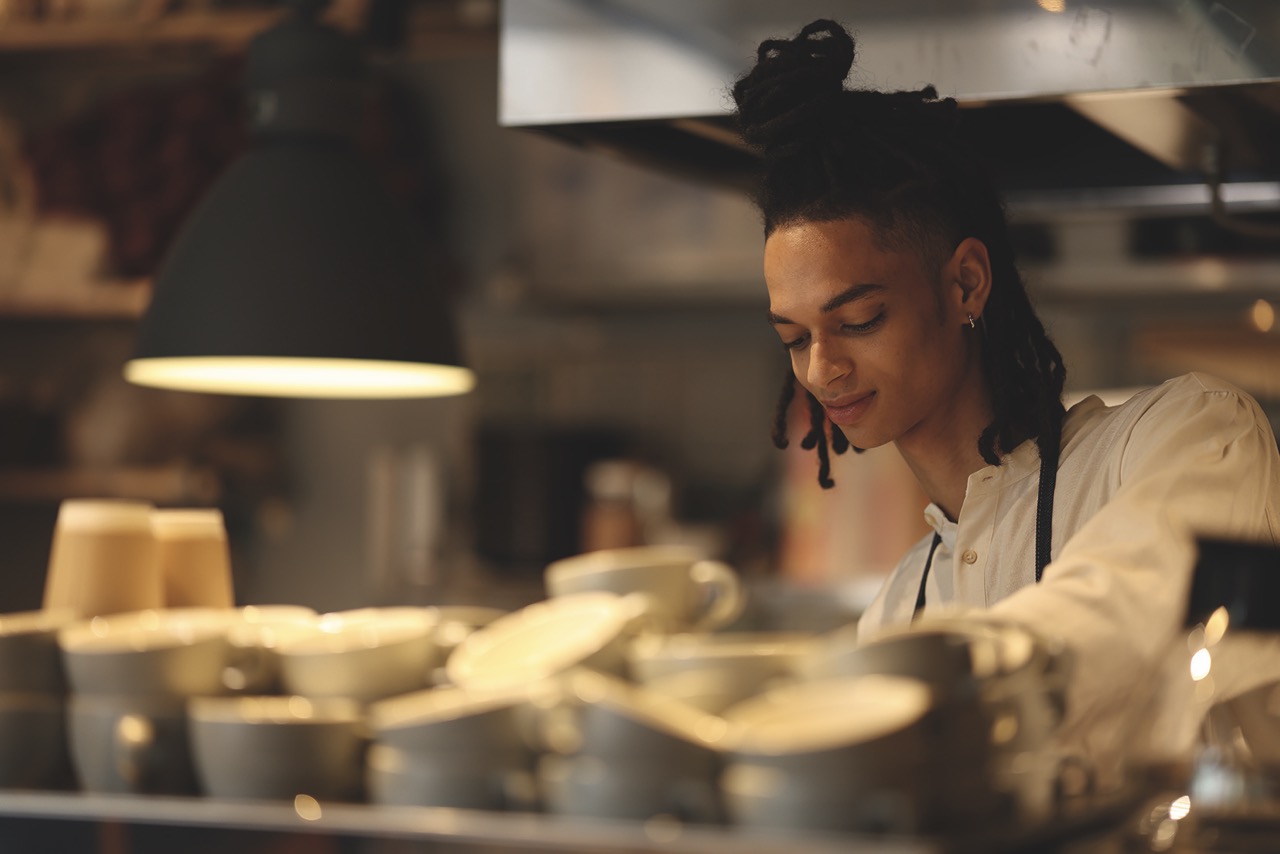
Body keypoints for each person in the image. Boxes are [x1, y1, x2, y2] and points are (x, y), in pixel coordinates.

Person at [732, 19, 1280, 772]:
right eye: (795, 338)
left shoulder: (1196, 435)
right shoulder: (900, 610)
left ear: (965, 284)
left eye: (858, 320)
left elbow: (1122, 606)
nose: (822, 369)